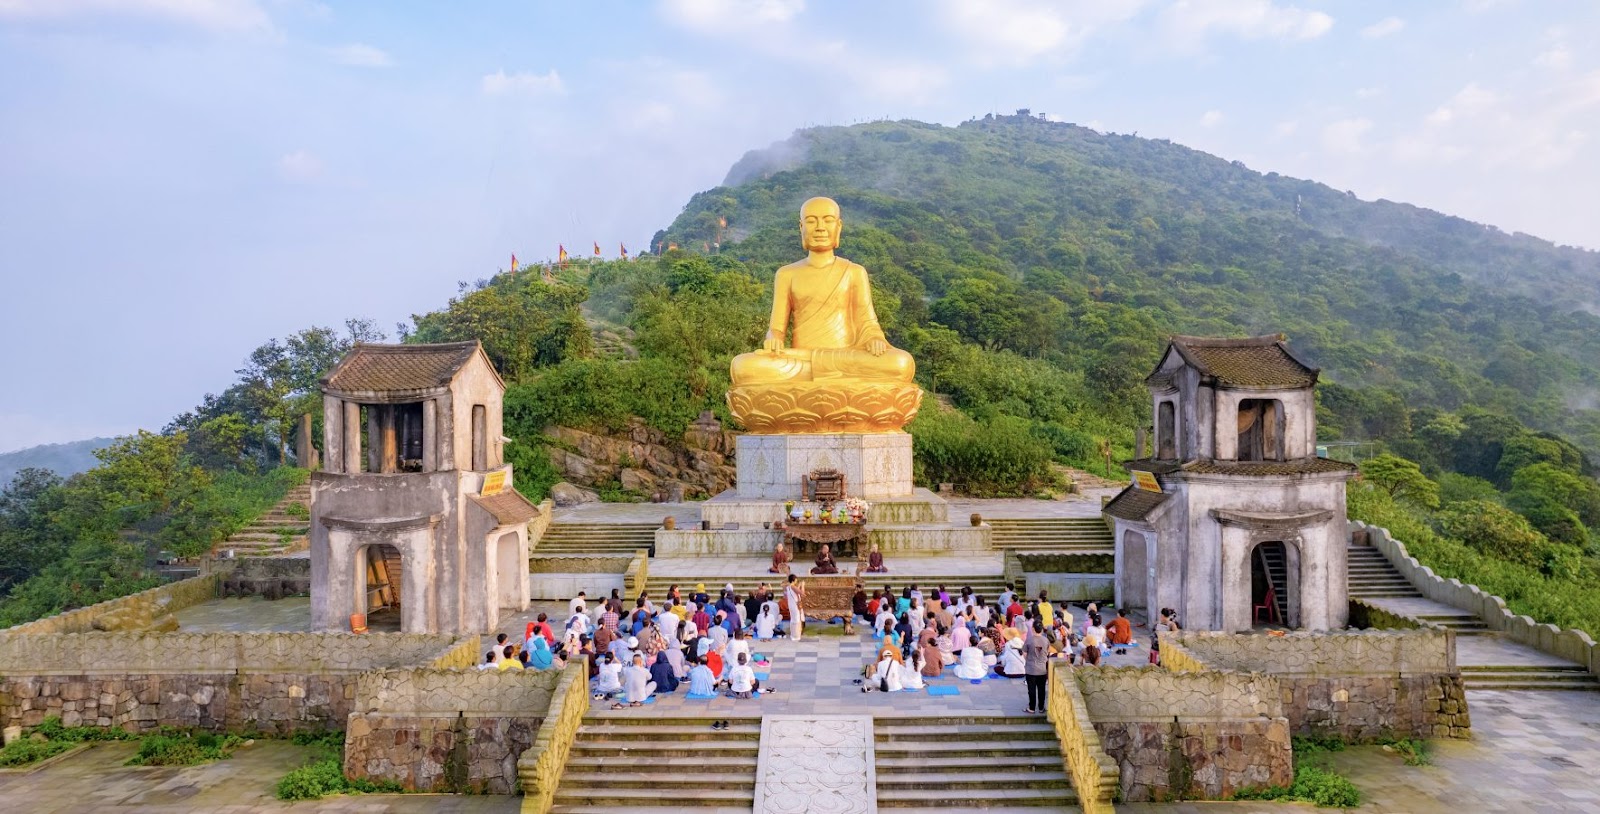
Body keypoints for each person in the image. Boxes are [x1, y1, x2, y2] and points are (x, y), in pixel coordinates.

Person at [1024, 621, 1049, 714]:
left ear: (1033, 629)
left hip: (1031, 669)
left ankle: (1032, 707)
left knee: (1031, 689)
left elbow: (1025, 654)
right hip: (1042, 669)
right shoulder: (1046, 640)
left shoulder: (1029, 640)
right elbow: (1047, 652)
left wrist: (1030, 658)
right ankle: (1041, 707)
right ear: (1041, 629)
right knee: (1041, 689)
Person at [785, 575, 805, 641]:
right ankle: (796, 636)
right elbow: (802, 593)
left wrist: (798, 586)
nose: (796, 581)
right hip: (795, 606)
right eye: (796, 580)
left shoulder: (788, 587)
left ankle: (793, 635)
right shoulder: (793, 586)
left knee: (793, 619)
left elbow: (795, 591)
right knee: (796, 620)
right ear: (793, 580)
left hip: (791, 605)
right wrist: (803, 586)